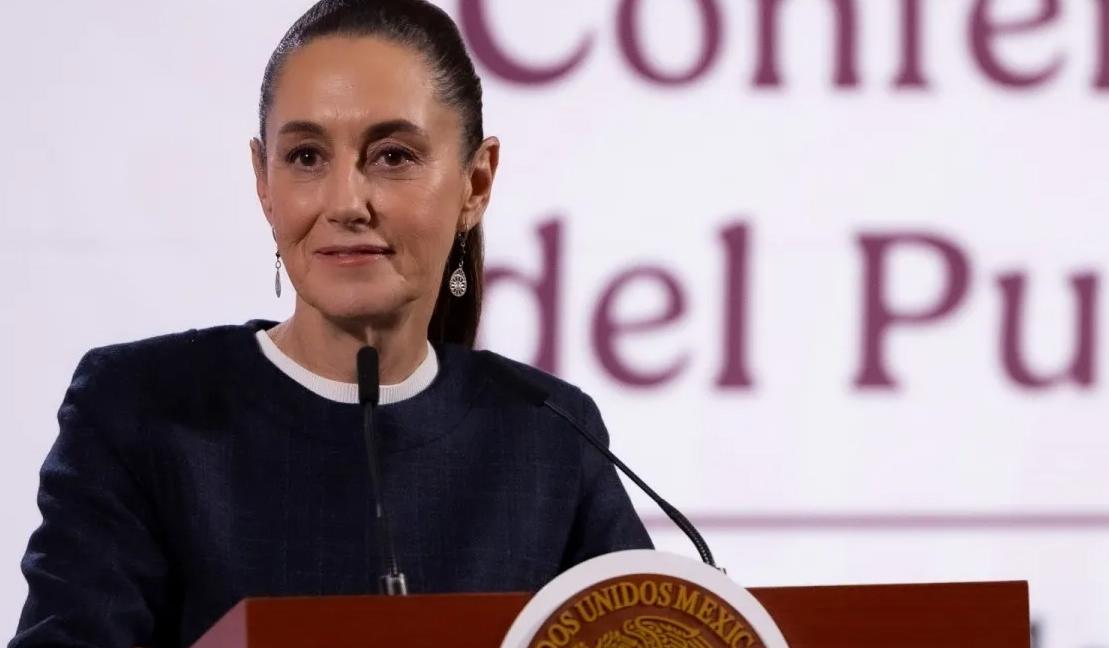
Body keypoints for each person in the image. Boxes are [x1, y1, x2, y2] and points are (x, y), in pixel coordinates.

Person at [9, 1, 652, 646]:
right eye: (306, 156)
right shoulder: (139, 408)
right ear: (264, 183)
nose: (346, 203)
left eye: (393, 156)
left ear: (476, 183)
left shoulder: (551, 432)